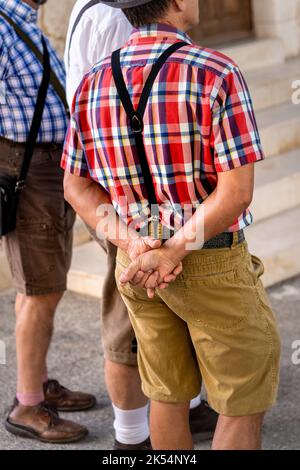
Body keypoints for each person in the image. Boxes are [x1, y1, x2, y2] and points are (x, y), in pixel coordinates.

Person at [62, 0, 281, 450]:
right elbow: (236, 191)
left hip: (136, 264)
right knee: (242, 400)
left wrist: (138, 245)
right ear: (178, 1)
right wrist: (173, 250)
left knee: (167, 392)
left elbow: (77, 188)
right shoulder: (215, 71)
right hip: (209, 259)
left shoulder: (92, 82)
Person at [0, 0, 95, 443]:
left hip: (46, 168)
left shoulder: (19, 19)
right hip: (29, 169)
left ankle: (36, 384)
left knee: (40, 287)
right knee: (40, 292)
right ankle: (28, 406)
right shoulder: (2, 23)